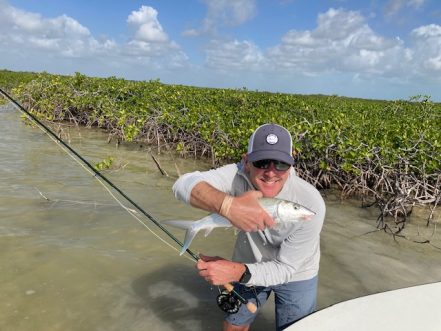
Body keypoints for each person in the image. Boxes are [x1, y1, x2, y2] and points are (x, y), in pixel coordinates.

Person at [172, 123, 326, 331]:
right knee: (234, 326)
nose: (271, 173)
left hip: (298, 272)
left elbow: (286, 268)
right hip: (250, 260)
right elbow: (182, 184)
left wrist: (236, 272)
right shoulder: (236, 175)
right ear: (246, 162)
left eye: (281, 164)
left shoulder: (310, 202)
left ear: (291, 167)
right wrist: (228, 205)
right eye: (262, 162)